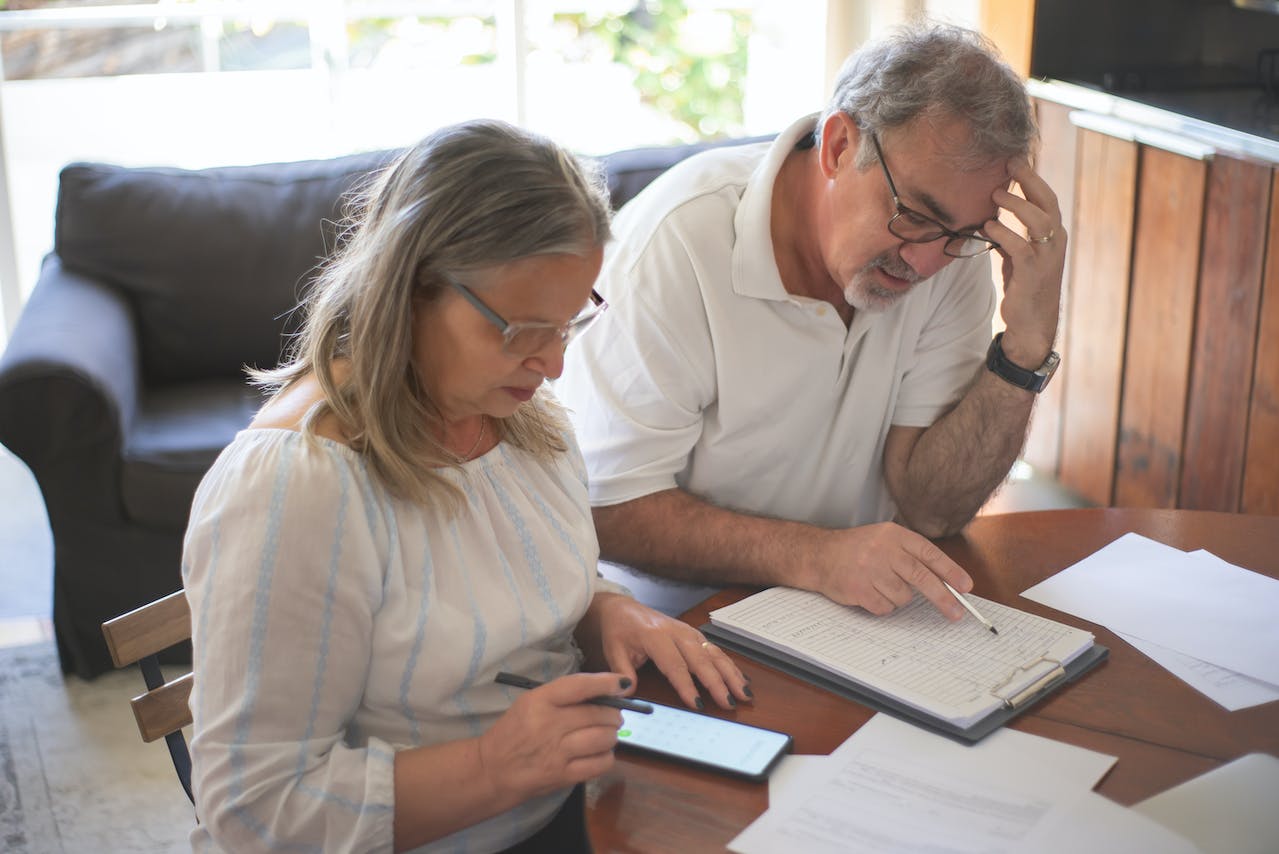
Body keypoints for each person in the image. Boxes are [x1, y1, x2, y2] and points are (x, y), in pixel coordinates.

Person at [181, 119, 750, 854]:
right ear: (410, 288)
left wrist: (603, 609)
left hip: (567, 807)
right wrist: (492, 767)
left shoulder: (517, 417)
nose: (552, 365)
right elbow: (254, 811)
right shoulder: (296, 488)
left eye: (569, 322)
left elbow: (502, 579)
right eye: (519, 330)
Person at [556, 22, 1067, 620]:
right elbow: (608, 508)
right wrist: (818, 557)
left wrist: (1024, 350)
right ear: (838, 147)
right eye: (915, 215)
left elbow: (934, 511)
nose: (927, 262)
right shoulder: (677, 247)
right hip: (681, 628)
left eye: (963, 234)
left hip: (856, 618)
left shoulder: (951, 258)